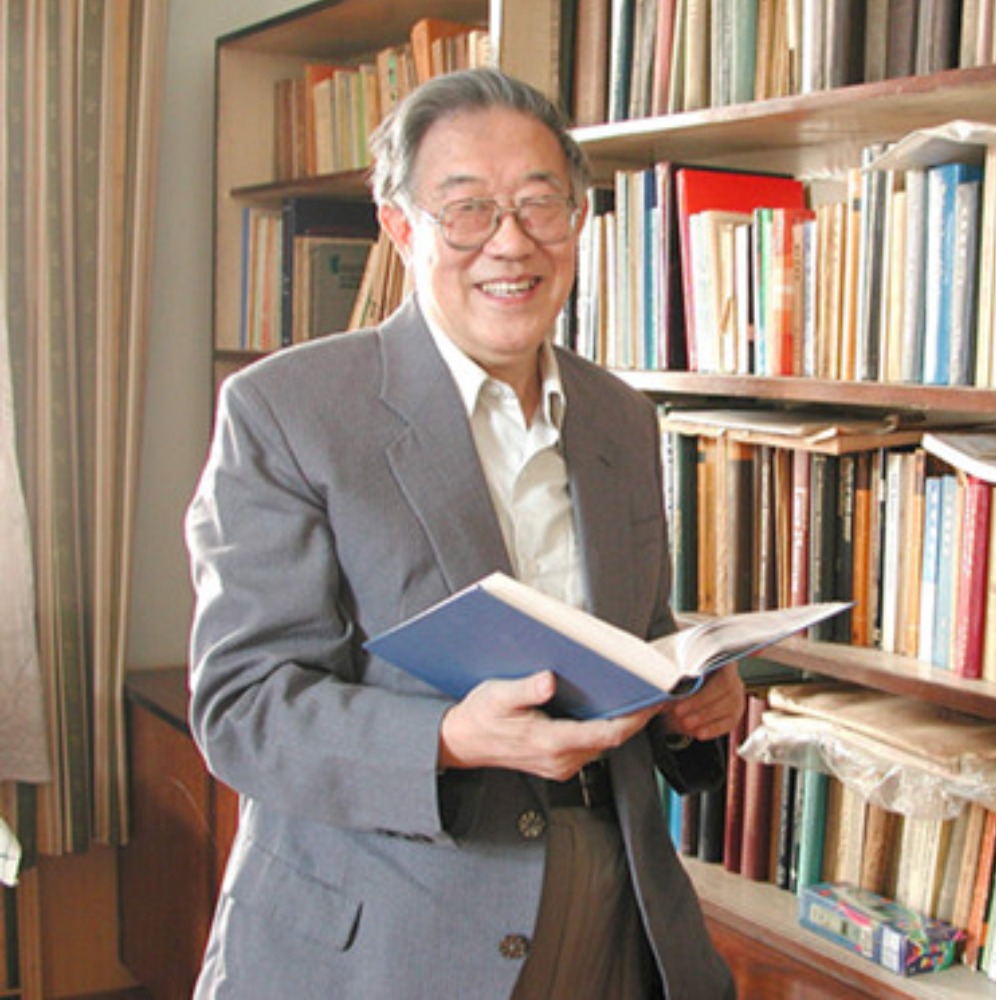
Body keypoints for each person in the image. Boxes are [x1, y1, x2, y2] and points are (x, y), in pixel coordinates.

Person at [185, 66, 743, 999]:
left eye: (539, 205)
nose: (510, 243)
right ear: (402, 227)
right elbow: (244, 708)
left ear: (578, 220)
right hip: (385, 943)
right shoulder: (286, 410)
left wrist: (693, 705)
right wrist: (446, 737)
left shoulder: (621, 416)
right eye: (468, 210)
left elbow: (638, 636)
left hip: (614, 924)